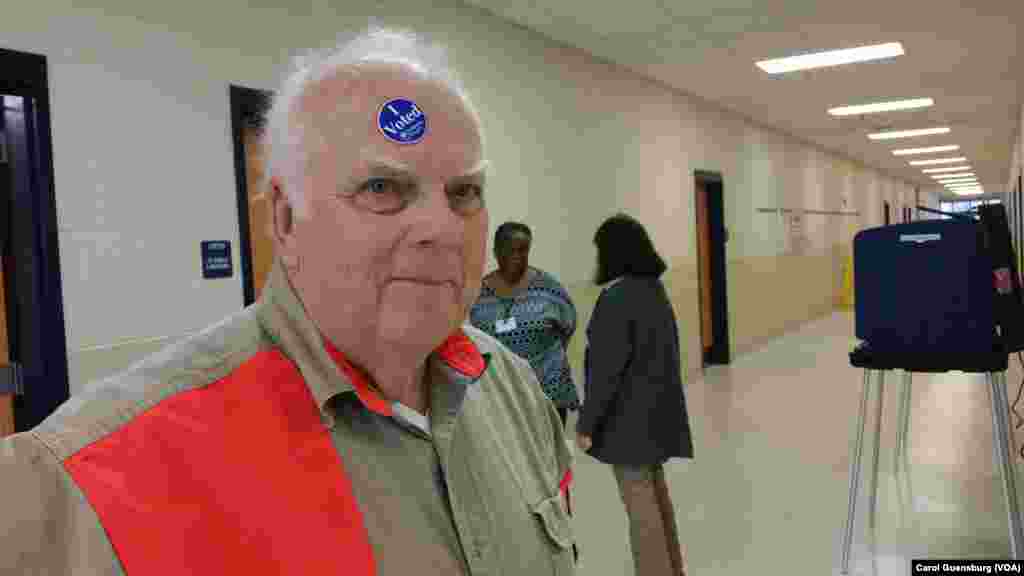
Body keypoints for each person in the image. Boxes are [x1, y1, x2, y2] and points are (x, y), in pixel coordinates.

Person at [0, 27, 576, 575]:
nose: (441, 228)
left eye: (464, 193)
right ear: (285, 220)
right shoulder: (90, 479)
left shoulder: (515, 390)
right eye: (382, 188)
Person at [576, 213, 694, 576]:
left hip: (628, 423)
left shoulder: (617, 298)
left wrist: (587, 423)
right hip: (656, 415)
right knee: (657, 501)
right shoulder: (652, 289)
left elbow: (606, 371)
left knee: (641, 511)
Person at [470, 222, 580, 427]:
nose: (517, 256)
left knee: (548, 458)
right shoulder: (477, 294)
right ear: (495, 251)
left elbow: (568, 326)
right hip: (500, 399)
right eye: (509, 249)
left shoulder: (549, 290)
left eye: (523, 250)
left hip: (547, 395)